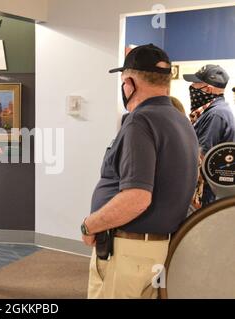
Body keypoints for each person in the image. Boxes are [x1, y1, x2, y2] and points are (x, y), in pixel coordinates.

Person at [82, 44, 198, 299]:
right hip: (157, 250)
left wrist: (90, 225)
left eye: (123, 81)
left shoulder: (140, 121)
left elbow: (137, 197)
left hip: (128, 252)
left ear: (130, 83)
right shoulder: (181, 121)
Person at [183, 65, 235, 206]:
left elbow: (202, 158)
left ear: (208, 89)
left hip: (206, 195)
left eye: (195, 84)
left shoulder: (215, 115)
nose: (192, 87)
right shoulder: (212, 112)